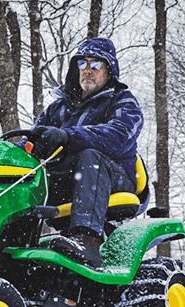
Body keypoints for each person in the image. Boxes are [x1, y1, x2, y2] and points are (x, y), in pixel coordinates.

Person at [24, 38, 144, 268]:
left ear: (109, 71)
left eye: (96, 64)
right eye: (83, 64)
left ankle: (87, 241)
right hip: (68, 180)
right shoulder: (58, 108)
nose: (88, 70)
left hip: (114, 176)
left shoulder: (123, 102)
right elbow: (35, 136)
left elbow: (118, 137)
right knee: (24, 173)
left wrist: (68, 136)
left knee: (91, 157)